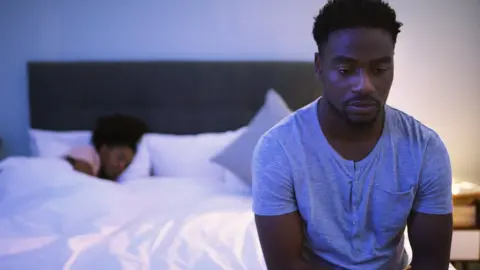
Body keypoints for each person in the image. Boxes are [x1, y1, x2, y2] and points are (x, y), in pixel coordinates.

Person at [252, 1, 453, 270]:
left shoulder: (426, 148)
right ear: (319, 66)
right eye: (346, 70)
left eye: (379, 70)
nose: (364, 86)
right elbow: (287, 265)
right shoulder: (277, 148)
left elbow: (431, 263)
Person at [65, 114, 148, 181]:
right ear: (103, 149)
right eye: (120, 158)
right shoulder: (87, 154)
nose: (121, 167)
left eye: (126, 165)